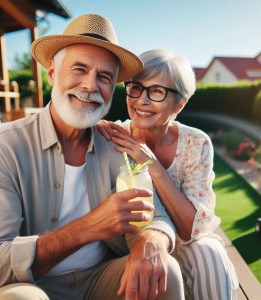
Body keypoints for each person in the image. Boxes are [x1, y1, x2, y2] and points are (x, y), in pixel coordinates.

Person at [0, 15, 185, 300]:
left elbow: (156, 217)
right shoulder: (6, 145)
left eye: (104, 77)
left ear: (112, 89)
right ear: (52, 74)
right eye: (79, 69)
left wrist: (152, 240)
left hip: (103, 280)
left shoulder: (118, 145)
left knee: (166, 270)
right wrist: (89, 227)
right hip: (31, 285)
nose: (90, 85)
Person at [97, 49, 239, 300]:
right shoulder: (111, 137)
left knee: (208, 253)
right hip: (131, 247)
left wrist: (153, 166)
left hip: (187, 244)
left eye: (157, 91)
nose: (141, 100)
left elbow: (190, 230)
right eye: (136, 88)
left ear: (180, 103)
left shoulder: (196, 143)